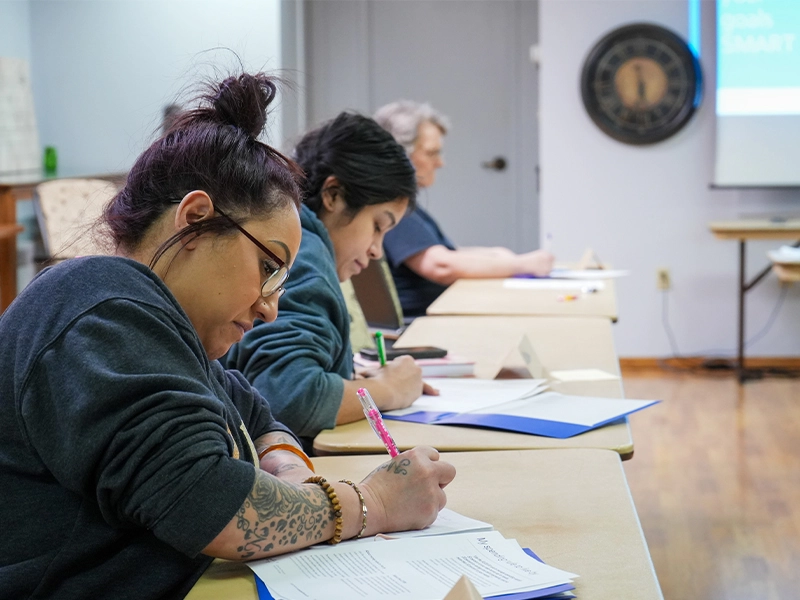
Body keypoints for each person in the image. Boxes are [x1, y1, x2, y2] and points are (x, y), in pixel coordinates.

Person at [0, 73, 455, 599]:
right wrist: (372, 503)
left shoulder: (161, 325)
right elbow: (210, 506)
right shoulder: (103, 309)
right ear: (194, 221)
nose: (269, 307)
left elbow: (259, 414)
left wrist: (287, 467)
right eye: (267, 265)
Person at [225, 112, 436, 445]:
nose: (377, 251)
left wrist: (347, 382)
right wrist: (387, 390)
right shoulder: (306, 257)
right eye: (377, 226)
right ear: (333, 195)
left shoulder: (306, 245)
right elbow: (288, 397)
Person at [374, 100, 556, 317]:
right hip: (417, 330)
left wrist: (495, 255)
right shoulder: (392, 207)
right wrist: (522, 264)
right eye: (432, 153)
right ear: (399, 155)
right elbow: (442, 265)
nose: (440, 163)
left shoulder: (407, 207)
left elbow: (448, 251)